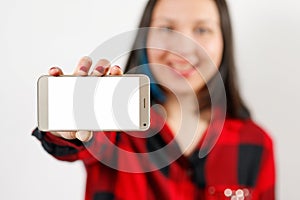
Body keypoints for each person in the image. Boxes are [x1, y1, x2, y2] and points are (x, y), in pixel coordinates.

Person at [32, 0, 276, 199]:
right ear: (144, 39)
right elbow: (73, 145)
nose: (183, 47)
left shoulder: (256, 143)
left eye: (202, 29)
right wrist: (67, 129)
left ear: (224, 40)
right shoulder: (114, 124)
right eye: (167, 29)